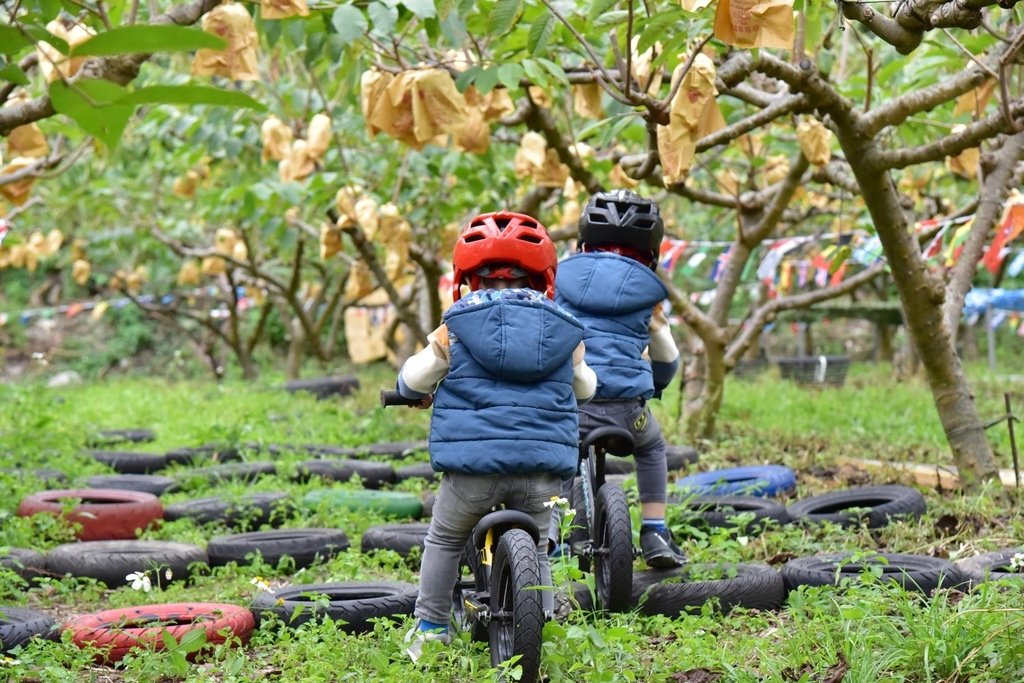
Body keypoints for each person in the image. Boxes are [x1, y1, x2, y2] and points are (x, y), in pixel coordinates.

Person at [394, 211, 597, 661]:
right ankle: (541, 617)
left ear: (466, 278)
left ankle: (429, 630)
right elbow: (586, 388)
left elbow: (415, 378)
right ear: (544, 276)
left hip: (473, 473)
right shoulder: (563, 329)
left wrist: (411, 391)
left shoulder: (457, 326)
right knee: (540, 544)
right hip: (543, 471)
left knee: (445, 540)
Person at [552, 189, 686, 569]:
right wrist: (655, 383)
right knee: (652, 447)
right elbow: (667, 357)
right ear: (653, 254)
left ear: (582, 243)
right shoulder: (648, 295)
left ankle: (556, 540)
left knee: (560, 458)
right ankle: (655, 530)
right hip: (629, 412)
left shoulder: (559, 282)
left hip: (573, 409)